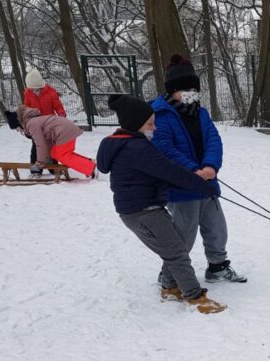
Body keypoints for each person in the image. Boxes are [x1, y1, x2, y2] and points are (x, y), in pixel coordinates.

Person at [96, 94, 225, 314]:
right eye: (150, 124)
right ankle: (194, 297)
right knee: (177, 252)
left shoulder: (122, 144)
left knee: (175, 246)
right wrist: (204, 186)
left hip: (141, 210)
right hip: (143, 212)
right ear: (135, 124)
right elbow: (170, 171)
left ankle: (169, 287)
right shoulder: (137, 149)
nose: (154, 128)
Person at [150, 54, 246, 284]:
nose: (191, 93)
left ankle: (217, 266)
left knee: (217, 228)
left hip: (207, 183)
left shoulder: (200, 113)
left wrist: (210, 166)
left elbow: (214, 140)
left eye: (194, 88)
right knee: (184, 234)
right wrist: (193, 169)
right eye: (185, 89)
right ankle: (170, 275)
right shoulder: (159, 114)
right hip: (182, 186)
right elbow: (164, 147)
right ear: (173, 90)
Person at [15, 105, 95, 179]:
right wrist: (47, 158)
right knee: (56, 153)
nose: (20, 131)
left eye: (18, 129)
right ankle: (89, 163)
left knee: (62, 155)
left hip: (64, 131)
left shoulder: (31, 124)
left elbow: (40, 145)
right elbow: (47, 142)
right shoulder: (34, 120)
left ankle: (91, 168)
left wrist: (39, 162)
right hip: (65, 130)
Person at [22, 68, 68, 165]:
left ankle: (53, 168)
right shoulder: (28, 94)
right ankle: (36, 169)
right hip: (36, 126)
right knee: (36, 146)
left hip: (49, 125)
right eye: (32, 89)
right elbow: (26, 110)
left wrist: (61, 117)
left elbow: (58, 107)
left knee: (51, 147)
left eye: (36, 89)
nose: (34, 91)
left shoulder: (51, 93)